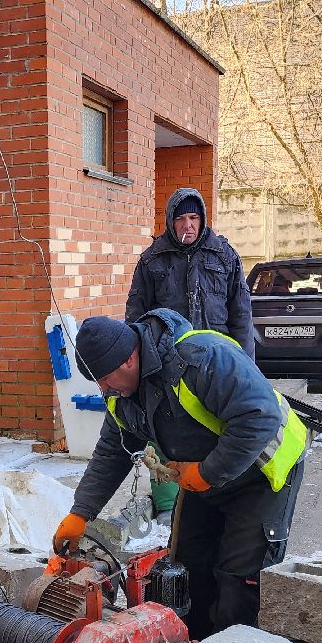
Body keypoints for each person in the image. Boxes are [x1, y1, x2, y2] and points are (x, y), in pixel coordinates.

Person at [51, 308, 307, 638]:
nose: (104, 388)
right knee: (188, 569)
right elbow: (112, 452)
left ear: (129, 358)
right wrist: (81, 512)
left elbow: (260, 417)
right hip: (204, 473)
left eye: (105, 378)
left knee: (238, 581)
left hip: (262, 470)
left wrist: (207, 472)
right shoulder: (120, 394)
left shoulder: (201, 359)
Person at [125, 188, 257, 522]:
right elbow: (136, 316)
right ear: (171, 222)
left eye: (194, 218)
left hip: (217, 363)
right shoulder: (152, 260)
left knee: (215, 429)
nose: (188, 225)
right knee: (165, 433)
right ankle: (168, 505)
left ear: (203, 219)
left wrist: (247, 367)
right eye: (181, 218)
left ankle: (216, 495)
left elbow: (241, 315)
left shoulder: (224, 255)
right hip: (167, 363)